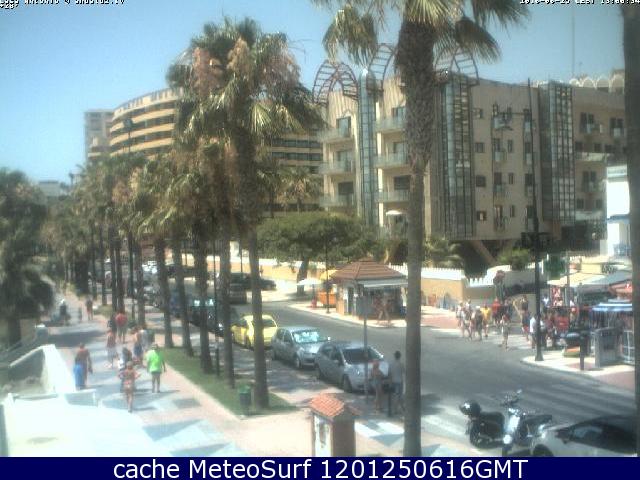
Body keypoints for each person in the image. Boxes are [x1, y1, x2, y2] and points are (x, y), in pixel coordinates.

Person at [388, 351, 405, 415]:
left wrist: (390, 383)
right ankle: (398, 409)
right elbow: (404, 372)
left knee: (396, 395)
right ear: (400, 356)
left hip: (393, 382)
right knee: (399, 395)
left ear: (394, 356)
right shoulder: (401, 364)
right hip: (400, 382)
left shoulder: (391, 364)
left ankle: (400, 408)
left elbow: (389, 374)